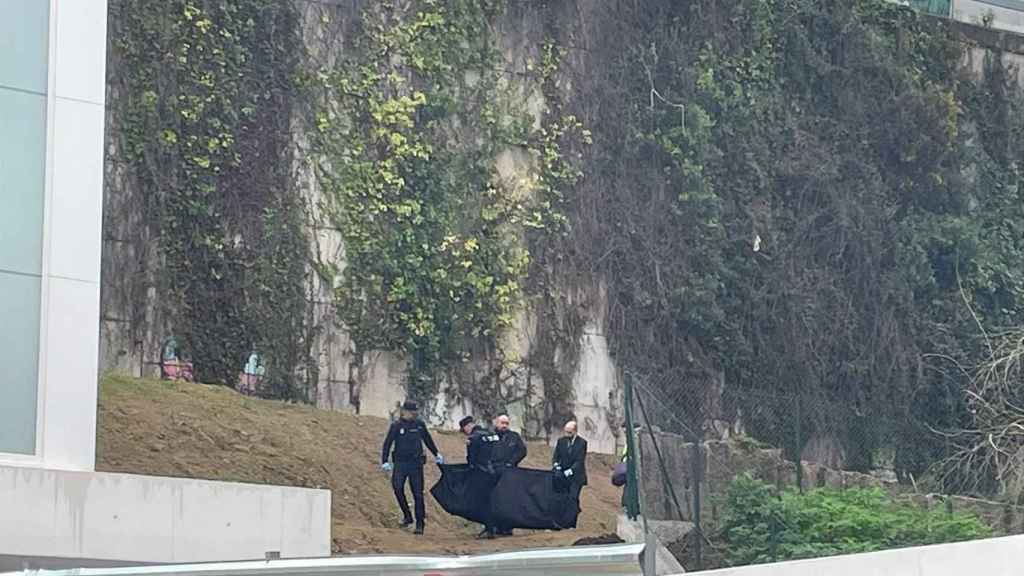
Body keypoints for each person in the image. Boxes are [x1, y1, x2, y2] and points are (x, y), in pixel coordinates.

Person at [381, 400, 443, 535]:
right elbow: (388, 443)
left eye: (416, 412)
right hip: (400, 463)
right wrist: (384, 460)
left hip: (416, 464)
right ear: (405, 412)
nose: (415, 414)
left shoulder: (419, 424)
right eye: (412, 412)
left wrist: (436, 453)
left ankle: (420, 523)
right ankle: (407, 516)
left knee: (418, 494)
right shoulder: (397, 426)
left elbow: (427, 440)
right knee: (397, 487)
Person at [460, 415, 501, 539]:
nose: (465, 433)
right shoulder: (490, 433)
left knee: (483, 501)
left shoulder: (473, 438)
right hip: (496, 471)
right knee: (494, 500)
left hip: (481, 473)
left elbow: (471, 459)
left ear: (468, 426)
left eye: (464, 430)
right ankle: (496, 526)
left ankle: (489, 528)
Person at [490, 414, 527, 536]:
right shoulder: (490, 436)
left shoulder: (514, 437)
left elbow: (522, 451)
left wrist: (512, 462)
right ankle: (494, 526)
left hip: (509, 473)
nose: (504, 425)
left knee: (509, 500)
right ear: (496, 423)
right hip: (493, 472)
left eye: (506, 423)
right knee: (494, 499)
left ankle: (507, 527)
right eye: (502, 423)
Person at [552, 420, 588, 504]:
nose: (567, 434)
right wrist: (556, 464)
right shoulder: (561, 441)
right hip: (562, 474)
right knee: (561, 498)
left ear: (575, 432)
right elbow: (556, 456)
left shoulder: (582, 443)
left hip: (576, 476)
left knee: (573, 498)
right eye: (566, 432)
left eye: (569, 432)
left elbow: (579, 460)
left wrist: (571, 470)